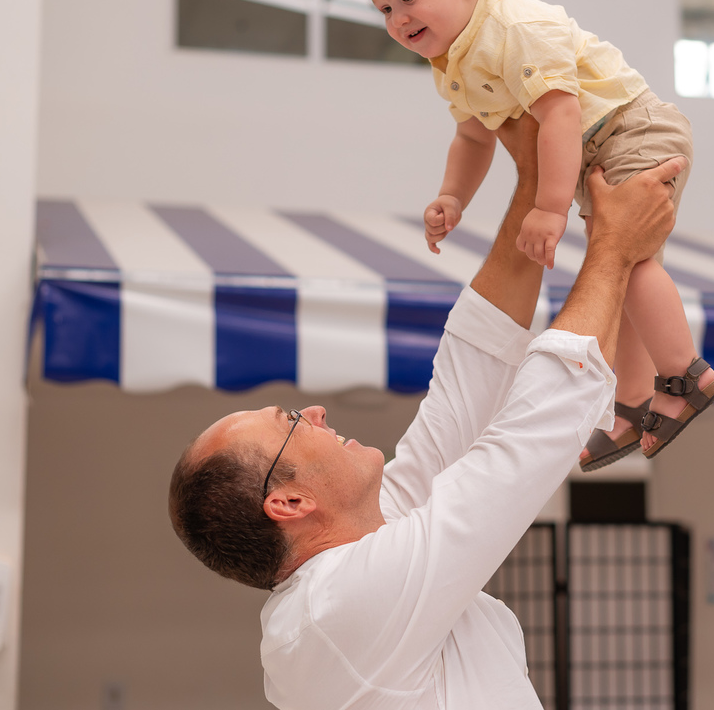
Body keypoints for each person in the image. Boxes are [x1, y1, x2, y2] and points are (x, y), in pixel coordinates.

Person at [168, 115, 684, 710]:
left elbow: (468, 381)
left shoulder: (366, 545)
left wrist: (537, 180)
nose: (311, 411)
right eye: (288, 421)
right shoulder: (334, 611)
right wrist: (614, 247)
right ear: (289, 503)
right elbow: (519, 456)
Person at [347, 0, 714, 472]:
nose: (398, 18)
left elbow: (561, 115)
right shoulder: (451, 60)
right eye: (384, 8)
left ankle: (685, 376)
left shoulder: (513, 28)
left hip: (631, 129)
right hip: (595, 148)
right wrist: (453, 196)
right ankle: (635, 398)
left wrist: (549, 207)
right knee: (617, 268)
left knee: (624, 256)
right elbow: (473, 137)